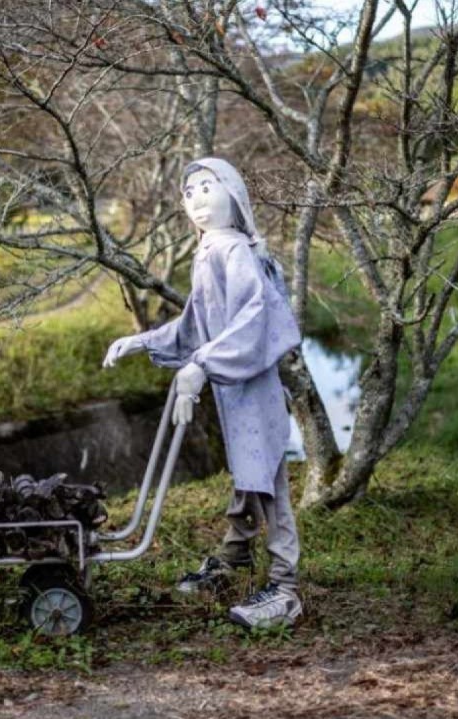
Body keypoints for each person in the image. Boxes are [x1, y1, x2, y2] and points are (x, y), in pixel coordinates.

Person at [102, 157, 304, 629]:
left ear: (233, 194)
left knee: (269, 485)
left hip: (253, 389)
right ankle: (233, 559)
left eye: (208, 187)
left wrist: (202, 366)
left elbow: (252, 321)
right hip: (236, 392)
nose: (197, 199)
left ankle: (286, 588)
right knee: (245, 476)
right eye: (189, 192)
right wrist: (142, 341)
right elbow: (196, 325)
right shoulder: (210, 251)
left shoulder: (234, 251)